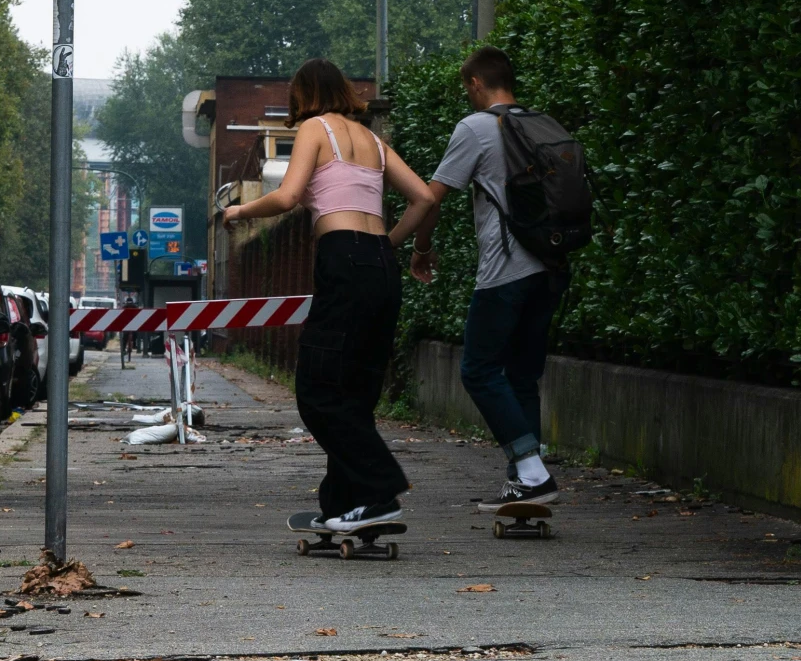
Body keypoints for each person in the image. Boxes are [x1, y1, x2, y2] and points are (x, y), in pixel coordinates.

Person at [223, 58, 435, 530]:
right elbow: (425, 197)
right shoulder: (375, 142)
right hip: (381, 263)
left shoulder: (316, 129)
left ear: (303, 96)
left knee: (318, 390)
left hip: (343, 257)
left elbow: (287, 196)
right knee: (354, 392)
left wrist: (239, 213)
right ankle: (342, 503)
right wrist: (395, 247)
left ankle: (380, 492)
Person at [389, 46, 563, 505]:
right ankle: (524, 481)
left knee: (479, 369)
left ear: (475, 84)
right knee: (523, 377)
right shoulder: (540, 124)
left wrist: (417, 248)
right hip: (550, 266)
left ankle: (531, 471)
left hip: (506, 270)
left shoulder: (476, 127)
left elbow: (431, 197)